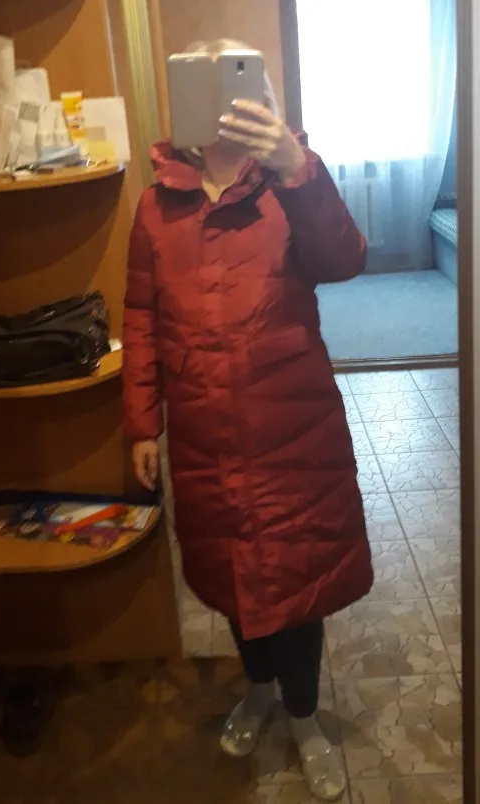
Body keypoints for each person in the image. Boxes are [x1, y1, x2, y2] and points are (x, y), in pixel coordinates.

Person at [123, 38, 373, 803]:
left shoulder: (290, 185)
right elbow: (140, 318)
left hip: (291, 431)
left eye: (237, 80)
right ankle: (259, 690)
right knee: (233, 578)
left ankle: (302, 715)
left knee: (297, 581)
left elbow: (345, 259)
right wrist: (142, 423)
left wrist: (297, 168)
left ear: (260, 93)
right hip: (204, 439)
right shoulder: (156, 204)